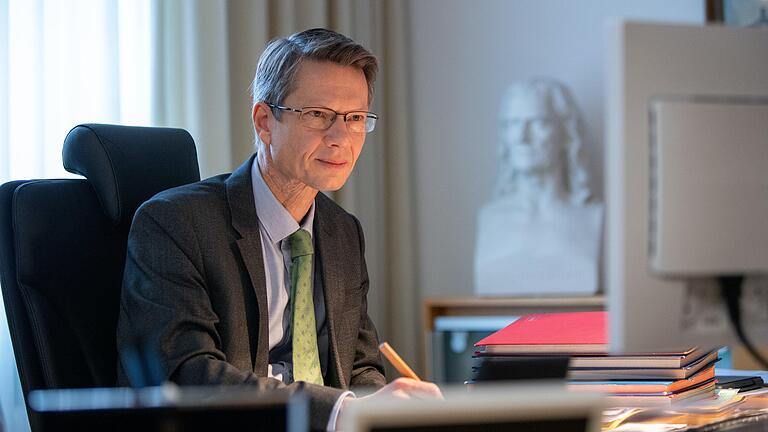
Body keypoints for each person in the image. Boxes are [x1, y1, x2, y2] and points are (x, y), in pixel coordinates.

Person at [117, 28, 440, 431]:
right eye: (318, 115)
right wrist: (340, 410)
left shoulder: (343, 233)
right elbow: (186, 375)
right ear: (265, 121)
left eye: (355, 118)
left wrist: (383, 406)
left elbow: (360, 366)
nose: (341, 138)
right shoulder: (175, 224)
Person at [474, 78, 603, 296]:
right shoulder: (491, 218)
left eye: (538, 123)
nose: (522, 138)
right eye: (512, 124)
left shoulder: (593, 217)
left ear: (566, 134)